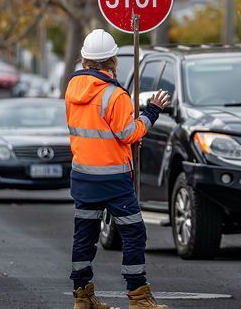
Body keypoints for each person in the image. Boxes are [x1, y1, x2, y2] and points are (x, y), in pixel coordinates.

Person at [66, 29, 171, 309]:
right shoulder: (115, 95)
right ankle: (138, 297)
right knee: (134, 233)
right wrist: (151, 112)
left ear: (84, 60)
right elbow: (129, 134)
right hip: (113, 178)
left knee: (84, 237)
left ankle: (82, 297)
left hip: (82, 176)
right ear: (113, 60)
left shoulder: (72, 90)